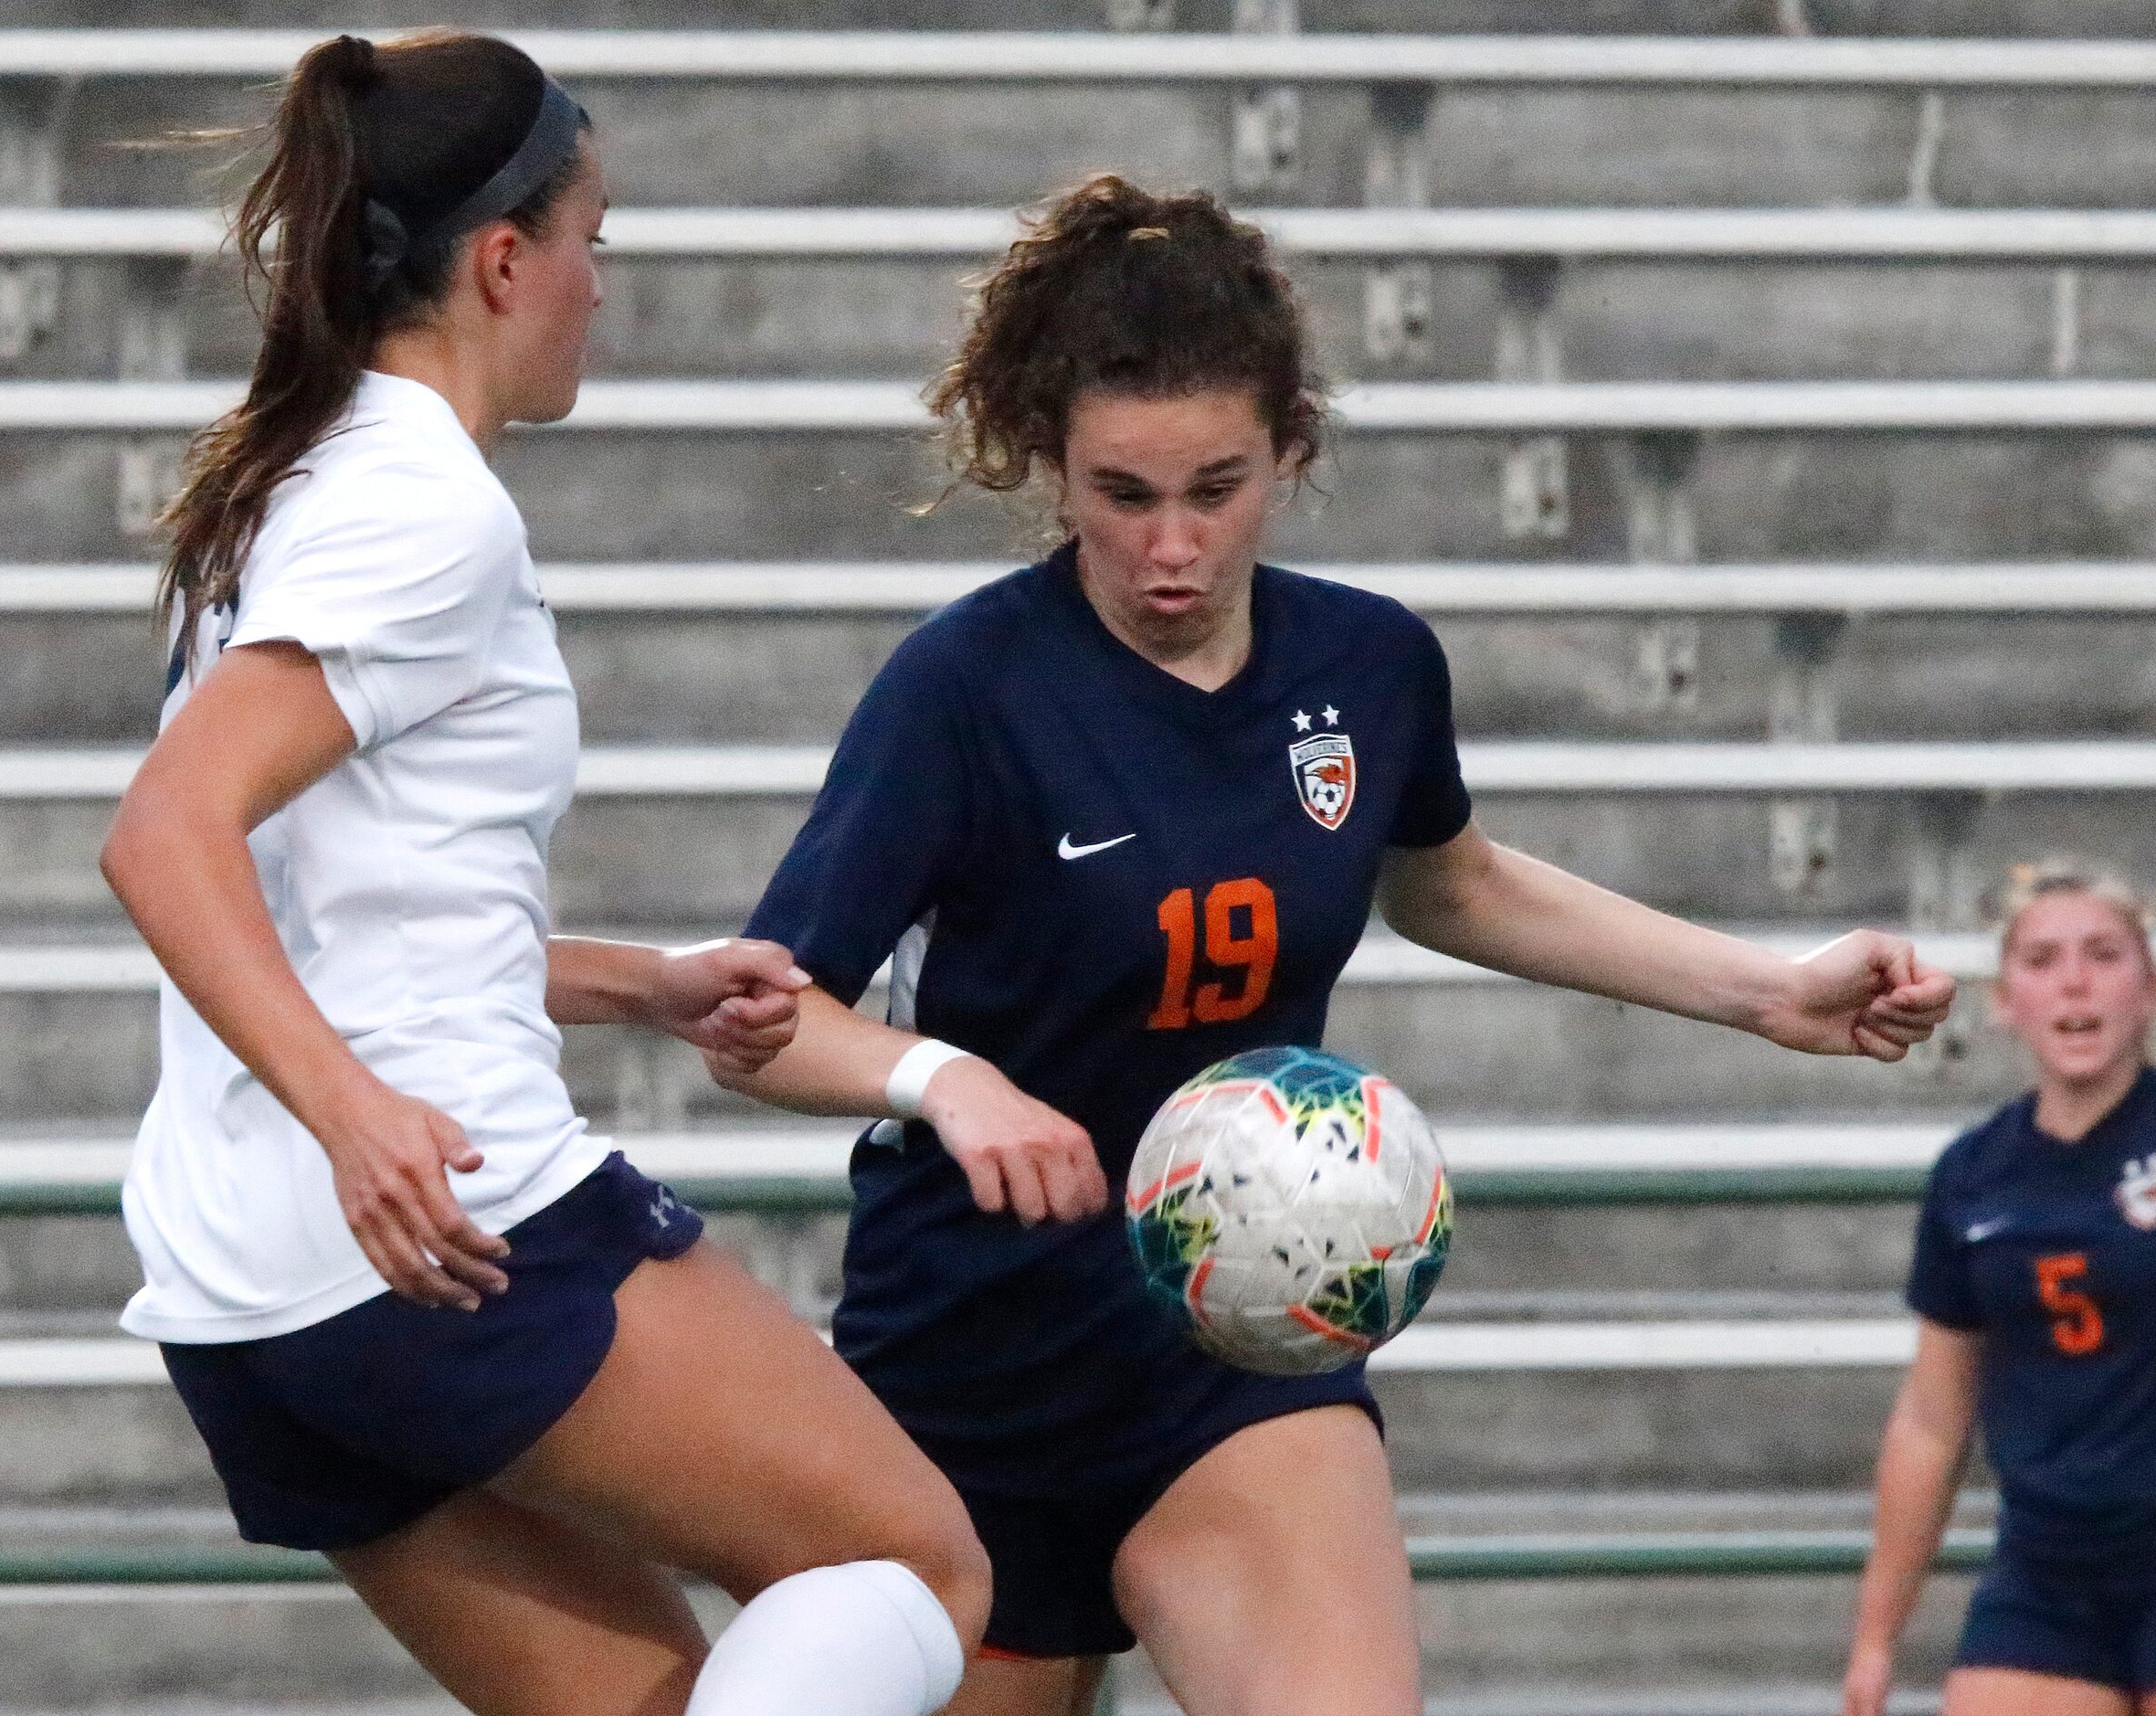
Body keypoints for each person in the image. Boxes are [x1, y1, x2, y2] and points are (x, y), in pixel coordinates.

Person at [712, 173, 1958, 1716]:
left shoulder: (1367, 662)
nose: (1170, 543)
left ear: (1291, 447)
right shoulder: (961, 688)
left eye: (1217, 486)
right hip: (969, 1369)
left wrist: (1767, 989)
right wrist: (944, 1076)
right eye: (1120, 494)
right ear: (1047, 460)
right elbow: (765, 1021)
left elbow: (1446, 881)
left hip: (1237, 1343)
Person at [102, 32, 988, 1716]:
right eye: (596, 237)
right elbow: (166, 832)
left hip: (241, 1292)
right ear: (504, 261)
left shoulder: (277, 485)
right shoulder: (423, 507)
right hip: (436, 1226)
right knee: (912, 1561)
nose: (602, 284)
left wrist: (637, 983)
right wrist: (360, 1115)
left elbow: (348, 899)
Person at [1845, 860, 2156, 1716]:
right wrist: (1876, 1640)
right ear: (2004, 999)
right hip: (2050, 1570)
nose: (2076, 982)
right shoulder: (1975, 1177)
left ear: (2151, 987)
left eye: (2104, 953)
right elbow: (1932, 1421)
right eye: (2043, 959)